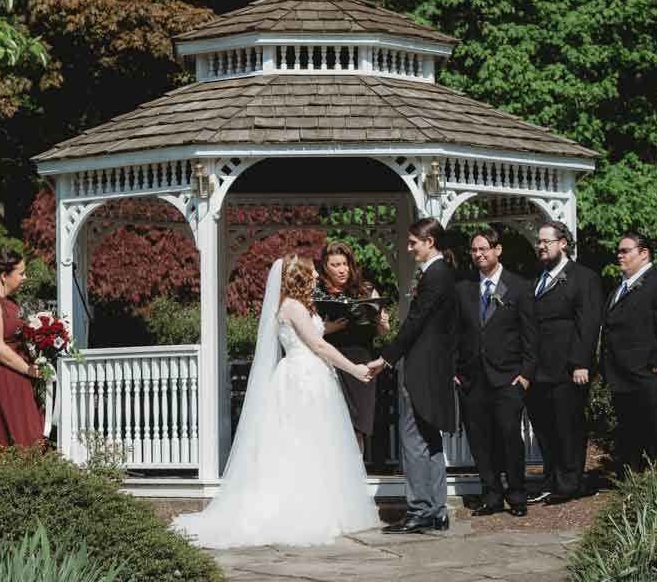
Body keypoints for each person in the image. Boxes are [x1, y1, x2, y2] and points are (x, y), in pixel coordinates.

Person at [173, 255, 378, 548]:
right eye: (312, 273)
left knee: (315, 442)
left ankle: (322, 504)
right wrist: (354, 369)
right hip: (303, 377)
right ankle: (303, 510)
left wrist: (330, 327)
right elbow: (318, 345)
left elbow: (314, 334)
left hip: (309, 375)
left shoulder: (298, 306)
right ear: (300, 277)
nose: (317, 277)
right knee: (303, 442)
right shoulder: (293, 306)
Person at [367, 218, 459, 534]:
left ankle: (420, 510)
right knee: (429, 440)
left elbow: (415, 323)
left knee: (413, 440)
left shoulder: (436, 275)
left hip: (424, 371)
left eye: (413, 243)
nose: (409, 249)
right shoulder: (440, 273)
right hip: (434, 369)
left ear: (429, 241)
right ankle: (436, 511)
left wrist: (385, 358)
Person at [454, 228, 537, 516]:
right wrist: (455, 371)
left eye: (483, 249)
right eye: (474, 250)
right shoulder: (463, 288)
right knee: (479, 440)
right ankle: (491, 495)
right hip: (471, 378)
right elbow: (453, 333)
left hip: (508, 377)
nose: (478, 254)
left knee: (510, 437)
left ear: (497, 250)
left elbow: (531, 334)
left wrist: (525, 374)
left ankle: (517, 495)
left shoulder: (519, 287)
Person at [525, 221, 603, 502]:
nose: (541, 246)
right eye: (539, 242)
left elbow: (588, 324)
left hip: (568, 368)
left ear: (563, 243)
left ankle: (570, 484)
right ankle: (551, 480)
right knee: (544, 428)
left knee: (568, 426)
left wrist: (581, 363)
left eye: (546, 241)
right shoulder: (537, 279)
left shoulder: (584, 278)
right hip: (538, 369)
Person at [600, 231, 657, 472]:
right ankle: (633, 485)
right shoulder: (619, 287)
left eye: (625, 251)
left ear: (644, 253)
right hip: (622, 376)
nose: (619, 255)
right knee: (630, 438)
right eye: (618, 251)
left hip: (649, 375)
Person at [316, 241, 390, 454]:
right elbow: (306, 332)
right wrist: (327, 328)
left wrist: (383, 324)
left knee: (359, 424)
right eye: (335, 265)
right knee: (332, 422)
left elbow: (383, 332)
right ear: (326, 267)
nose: (341, 269)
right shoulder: (317, 293)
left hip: (362, 360)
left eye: (344, 264)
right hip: (331, 361)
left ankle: (356, 467)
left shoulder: (367, 289)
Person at [0, 248, 44, 450]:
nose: (25, 278)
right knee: (11, 441)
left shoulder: (10, 302)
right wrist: (27, 369)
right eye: (21, 273)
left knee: (30, 438)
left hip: (17, 376)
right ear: (4, 276)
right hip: (0, 376)